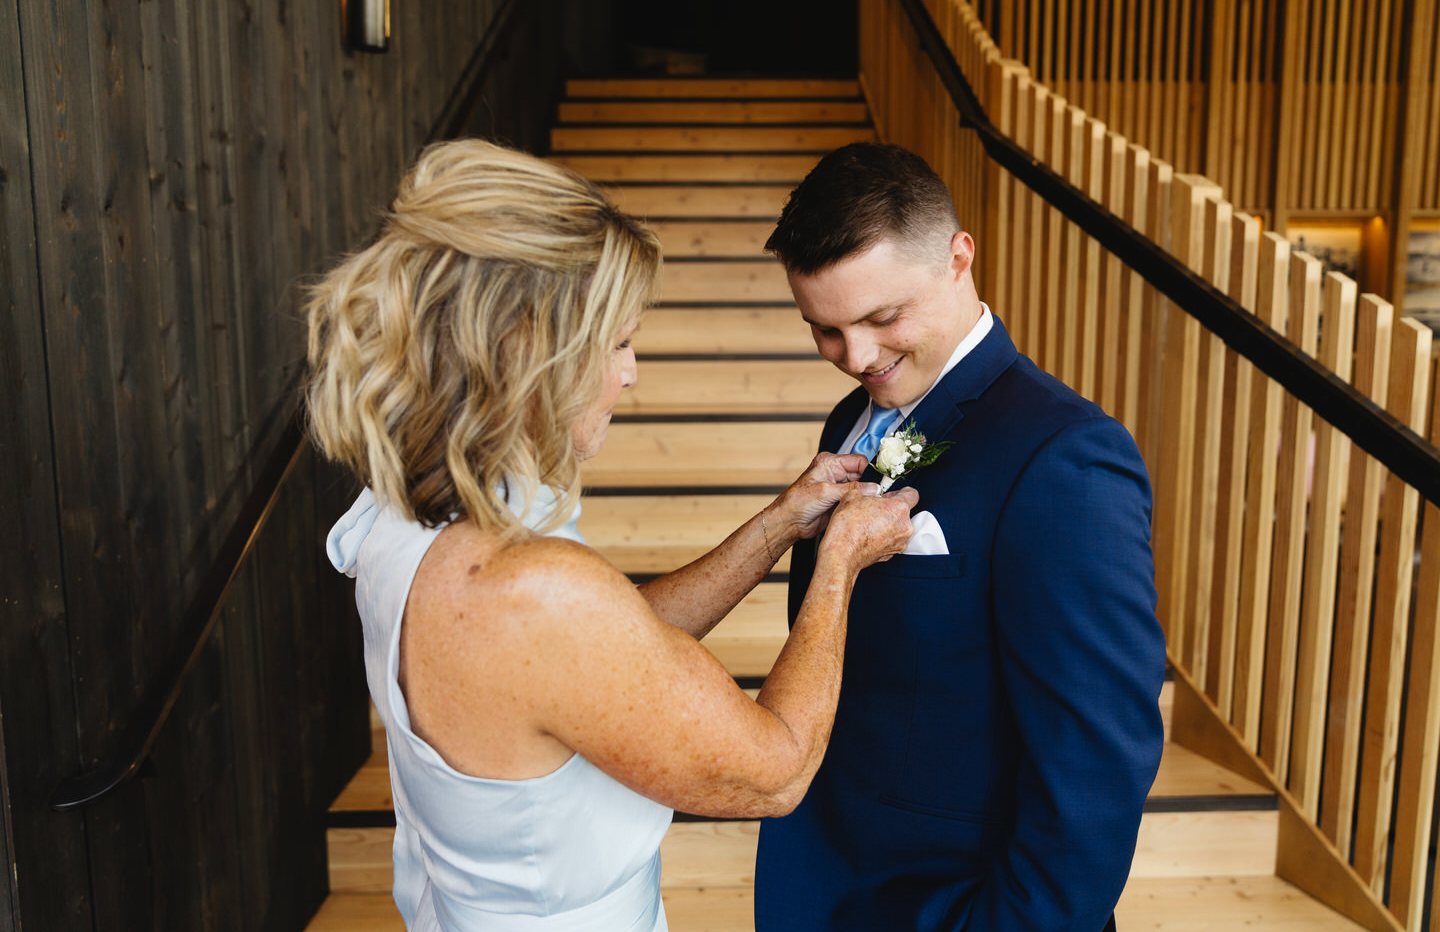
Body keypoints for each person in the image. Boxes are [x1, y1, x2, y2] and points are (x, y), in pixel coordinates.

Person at [304, 139, 917, 932]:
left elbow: (609, 654)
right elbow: (776, 772)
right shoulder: (527, 591)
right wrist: (836, 564)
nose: (630, 373)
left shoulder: (401, 515)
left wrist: (775, 527)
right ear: (530, 346)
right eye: (618, 341)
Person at [754, 142, 1167, 931]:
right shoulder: (863, 415)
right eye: (826, 330)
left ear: (958, 258)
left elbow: (1094, 768)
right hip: (835, 879)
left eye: (882, 318)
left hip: (947, 905)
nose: (858, 357)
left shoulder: (1065, 458)